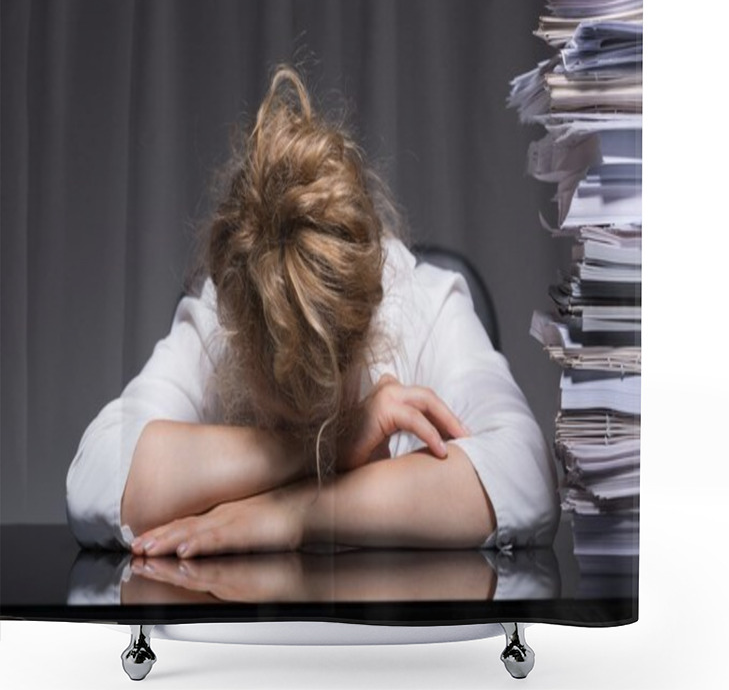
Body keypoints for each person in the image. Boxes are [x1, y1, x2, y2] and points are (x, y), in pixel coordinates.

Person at [65, 66, 559, 558]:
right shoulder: (222, 318)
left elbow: (526, 476)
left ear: (371, 317)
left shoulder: (426, 305)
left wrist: (298, 513)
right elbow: (96, 476)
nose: (302, 416)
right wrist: (325, 448)